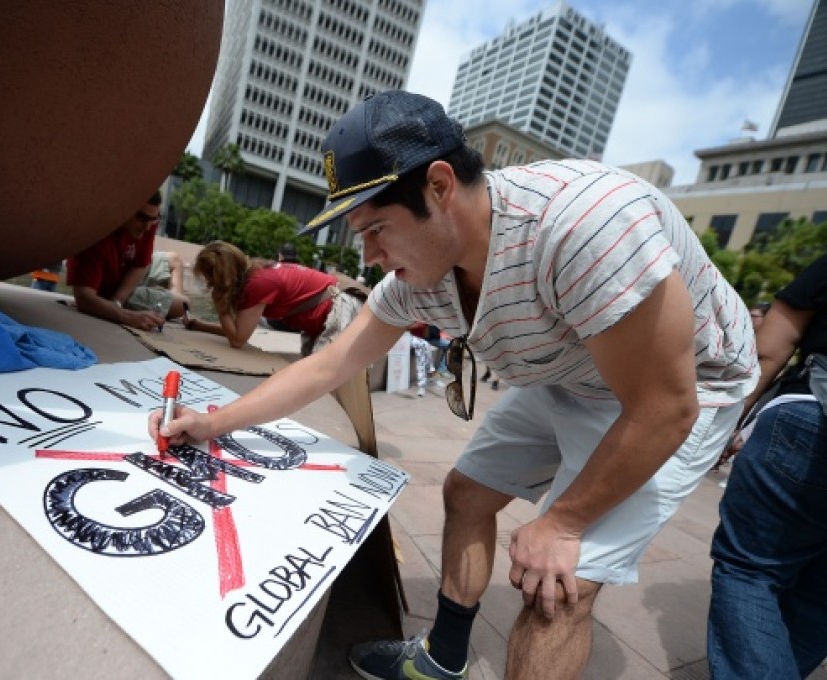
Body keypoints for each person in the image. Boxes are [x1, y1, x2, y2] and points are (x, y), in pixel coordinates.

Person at [149, 91, 758, 680]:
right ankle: (443, 656)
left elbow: (663, 406)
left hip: (680, 389)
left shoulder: (583, 226)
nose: (370, 257)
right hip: (571, 370)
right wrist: (211, 423)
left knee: (555, 588)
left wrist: (564, 522)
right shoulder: (421, 273)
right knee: (467, 493)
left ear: (439, 187)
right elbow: (328, 365)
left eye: (377, 229)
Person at [706, 254, 827, 679]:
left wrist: (726, 422)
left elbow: (773, 347)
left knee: (750, 571)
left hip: (812, 421)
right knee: (820, 595)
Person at [184, 241, 363, 356]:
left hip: (339, 309)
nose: (209, 285)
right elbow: (240, 330)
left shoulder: (257, 284)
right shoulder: (254, 272)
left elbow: (238, 339)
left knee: (320, 377)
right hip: (330, 308)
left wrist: (220, 304)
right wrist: (201, 326)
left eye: (209, 279)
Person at [66, 191, 189, 331]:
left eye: (154, 219)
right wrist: (125, 316)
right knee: (184, 305)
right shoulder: (97, 234)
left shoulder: (148, 222)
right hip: (107, 289)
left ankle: (165, 303)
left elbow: (140, 265)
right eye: (142, 218)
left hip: (125, 278)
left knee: (174, 260)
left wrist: (118, 302)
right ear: (124, 210)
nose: (147, 227)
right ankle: (165, 303)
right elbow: (83, 298)